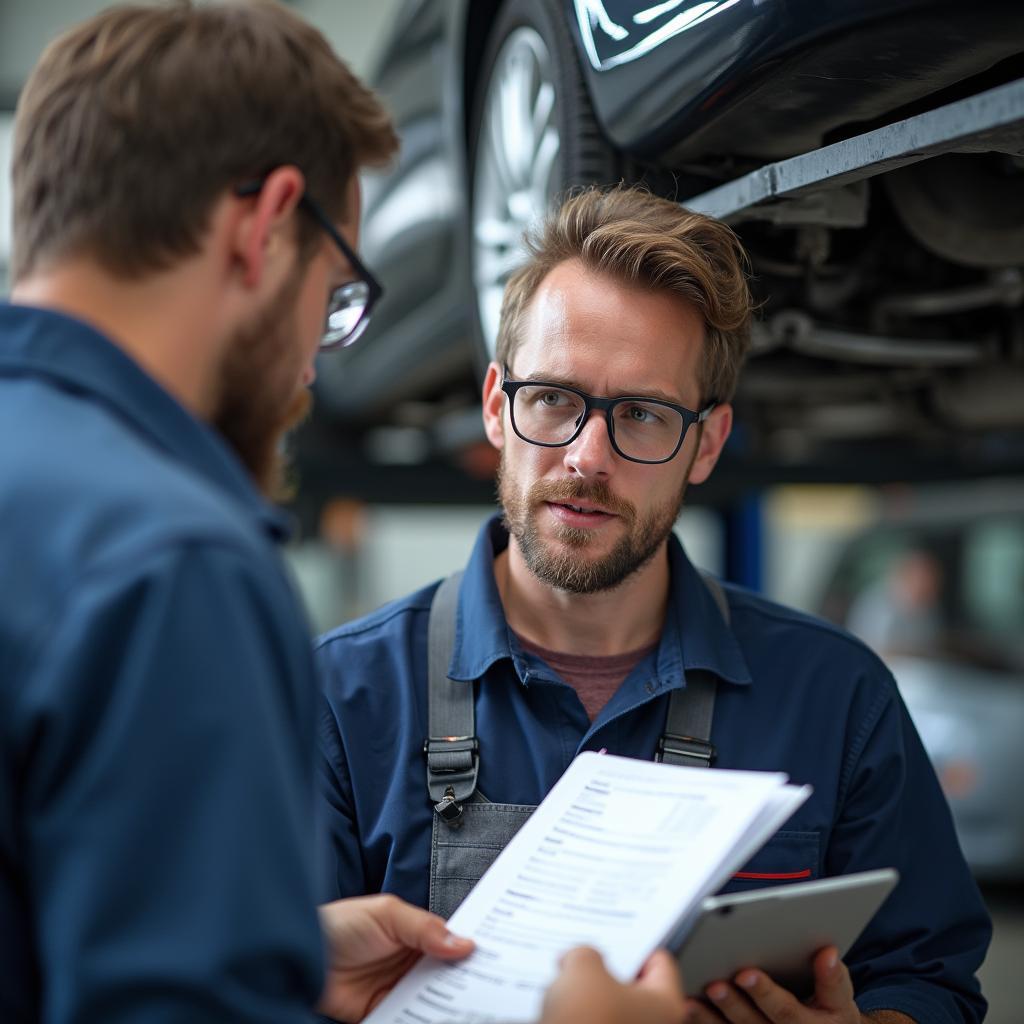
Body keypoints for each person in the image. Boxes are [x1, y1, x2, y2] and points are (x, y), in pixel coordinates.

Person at [0, 4, 676, 1021]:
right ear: (265, 224)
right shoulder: (169, 562)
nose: (315, 360)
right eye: (333, 294)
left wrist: (268, 952)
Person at [316, 186, 993, 1024]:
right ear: (497, 406)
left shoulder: (835, 697)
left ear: (706, 442)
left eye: (641, 414)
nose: (585, 456)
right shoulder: (342, 699)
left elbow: (931, 981)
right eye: (555, 399)